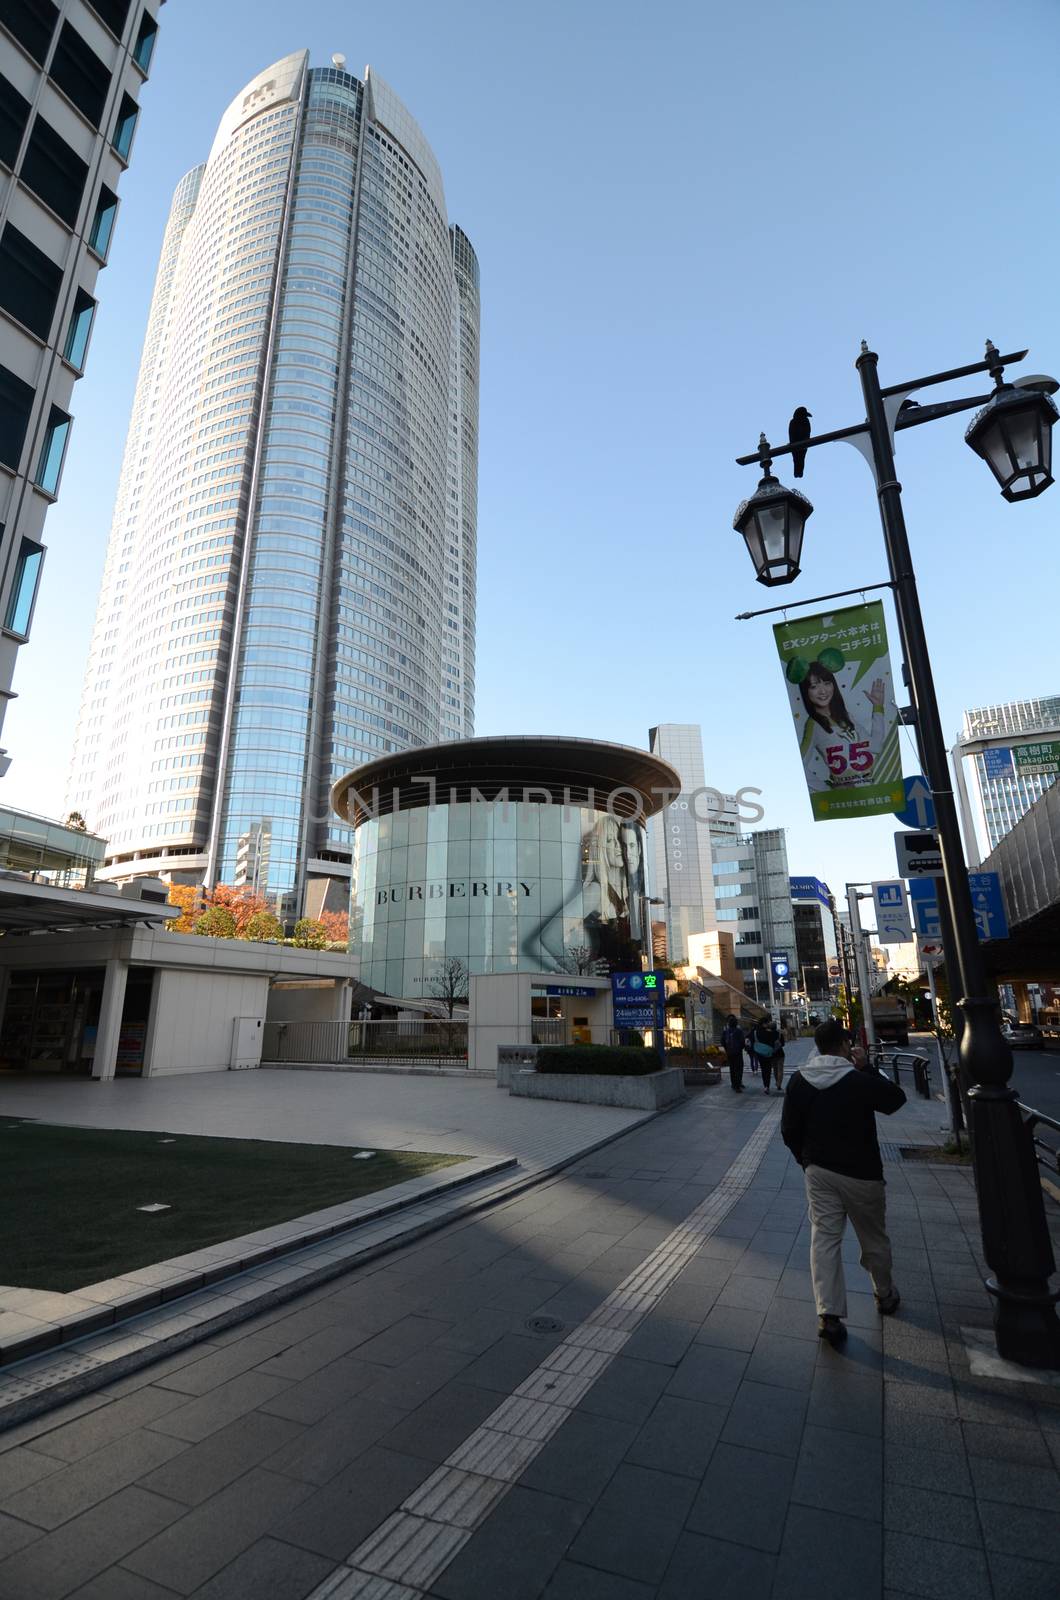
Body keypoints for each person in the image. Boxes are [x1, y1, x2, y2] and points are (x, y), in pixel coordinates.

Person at [781, 1017, 905, 1346]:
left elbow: (788, 1130)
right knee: (873, 1238)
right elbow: (895, 1100)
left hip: (819, 1172)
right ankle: (884, 1293)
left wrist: (806, 1161)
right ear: (843, 1046)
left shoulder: (800, 1081)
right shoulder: (857, 1080)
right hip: (862, 1173)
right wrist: (866, 1068)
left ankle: (829, 1314)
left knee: (823, 1240)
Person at [799, 660, 887, 794]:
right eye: (814, 686)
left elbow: (875, 746)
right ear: (806, 692)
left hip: (871, 791)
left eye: (827, 683)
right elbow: (800, 765)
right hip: (846, 799)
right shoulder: (813, 725)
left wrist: (878, 707)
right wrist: (827, 790)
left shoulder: (846, 716)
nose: (823, 691)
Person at [751, 1015, 781, 1093]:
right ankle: (767, 1086)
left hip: (759, 1053)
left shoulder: (755, 1031)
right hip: (768, 1053)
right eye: (767, 1023)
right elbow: (777, 1037)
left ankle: (765, 1086)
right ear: (764, 1023)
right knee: (767, 1070)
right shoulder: (769, 1032)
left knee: (763, 1069)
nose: (768, 1024)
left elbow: (749, 1039)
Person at [721, 1014, 745, 1092]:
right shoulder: (739, 1031)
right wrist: (740, 1048)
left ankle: (733, 1084)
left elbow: (722, 1041)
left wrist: (727, 1049)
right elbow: (742, 1042)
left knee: (732, 1068)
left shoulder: (726, 1031)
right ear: (736, 1023)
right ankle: (738, 1085)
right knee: (739, 1068)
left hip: (730, 1053)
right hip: (738, 1053)